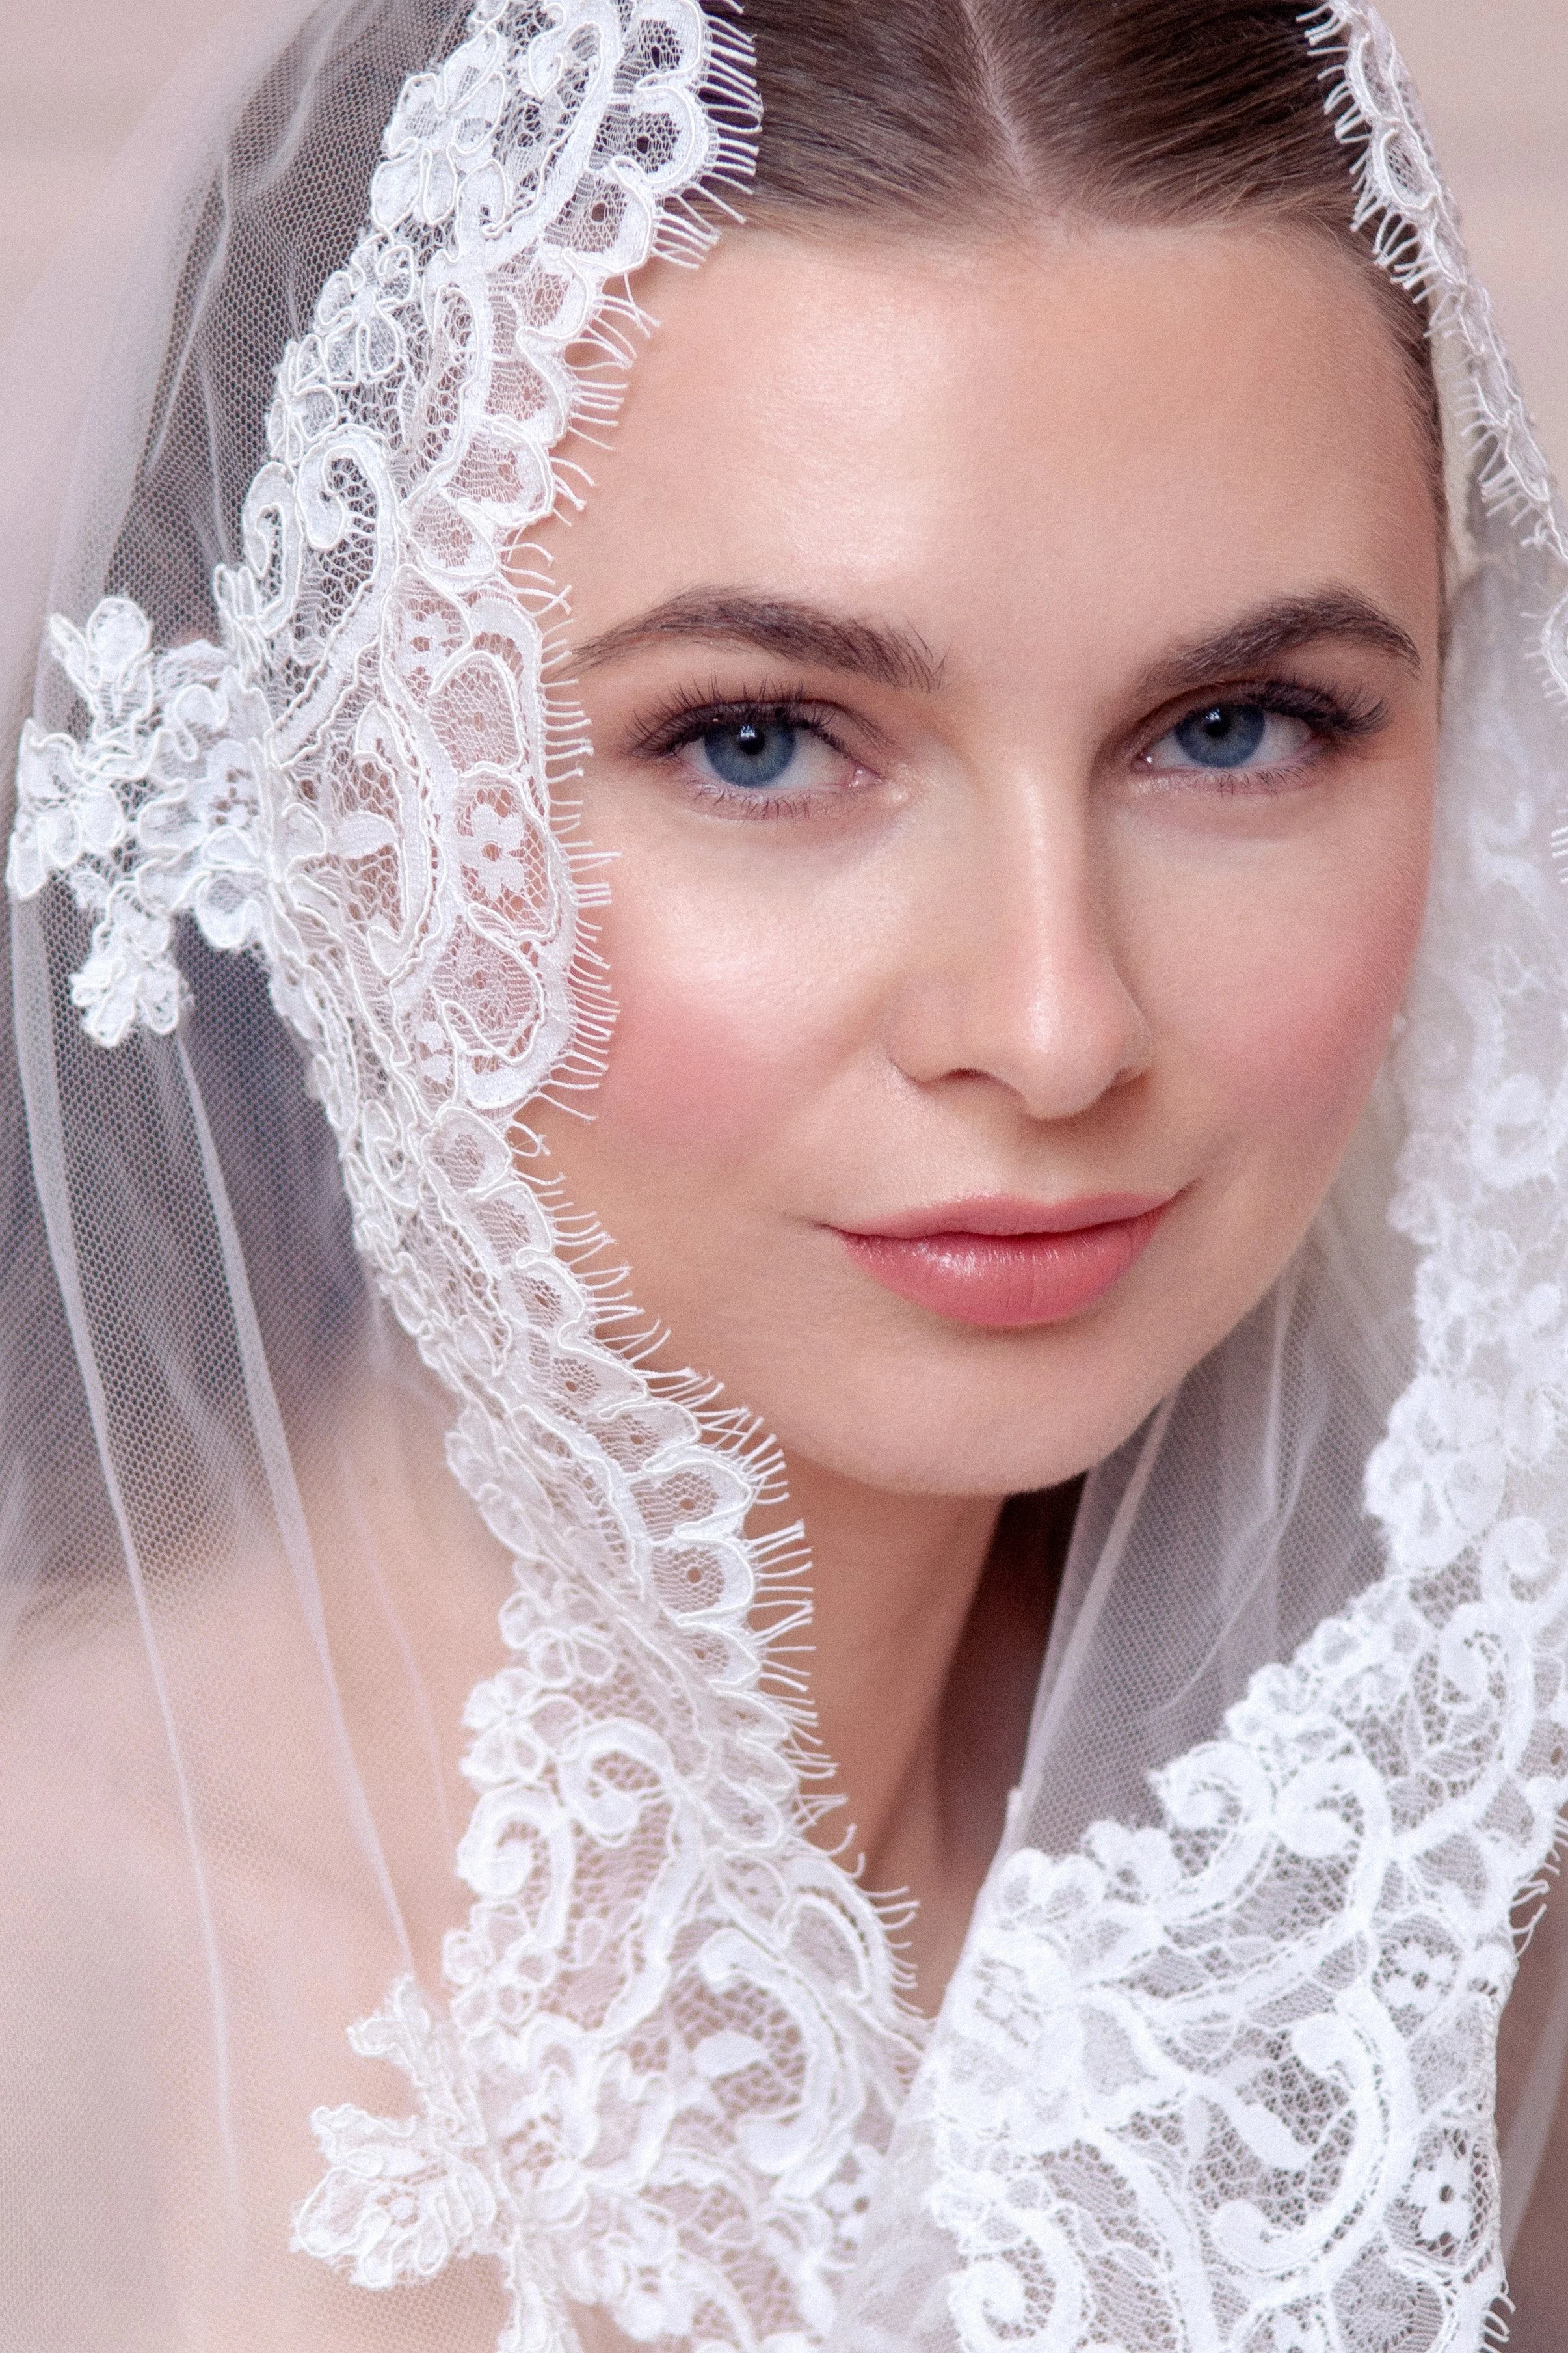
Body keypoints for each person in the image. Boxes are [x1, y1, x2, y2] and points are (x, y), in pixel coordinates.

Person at [1, 0, 1566, 2344]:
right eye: (757, 741)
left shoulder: (1417, 1909)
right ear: (303, 782)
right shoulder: (96, 2043)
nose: (1054, 1024)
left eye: (1236, 730)